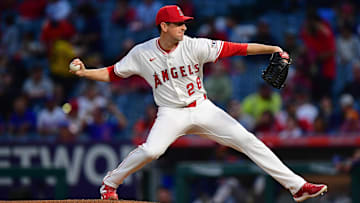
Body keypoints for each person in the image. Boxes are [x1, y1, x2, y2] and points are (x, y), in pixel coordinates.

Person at [69, 5, 327, 202]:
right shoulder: (142, 53)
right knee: (151, 151)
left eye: (184, 23)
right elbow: (113, 73)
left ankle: (297, 187)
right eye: (178, 24)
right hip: (171, 113)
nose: (184, 27)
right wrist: (85, 73)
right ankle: (110, 184)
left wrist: (272, 47)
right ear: (163, 26)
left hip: (202, 108)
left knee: (249, 141)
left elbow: (237, 48)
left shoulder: (195, 46)